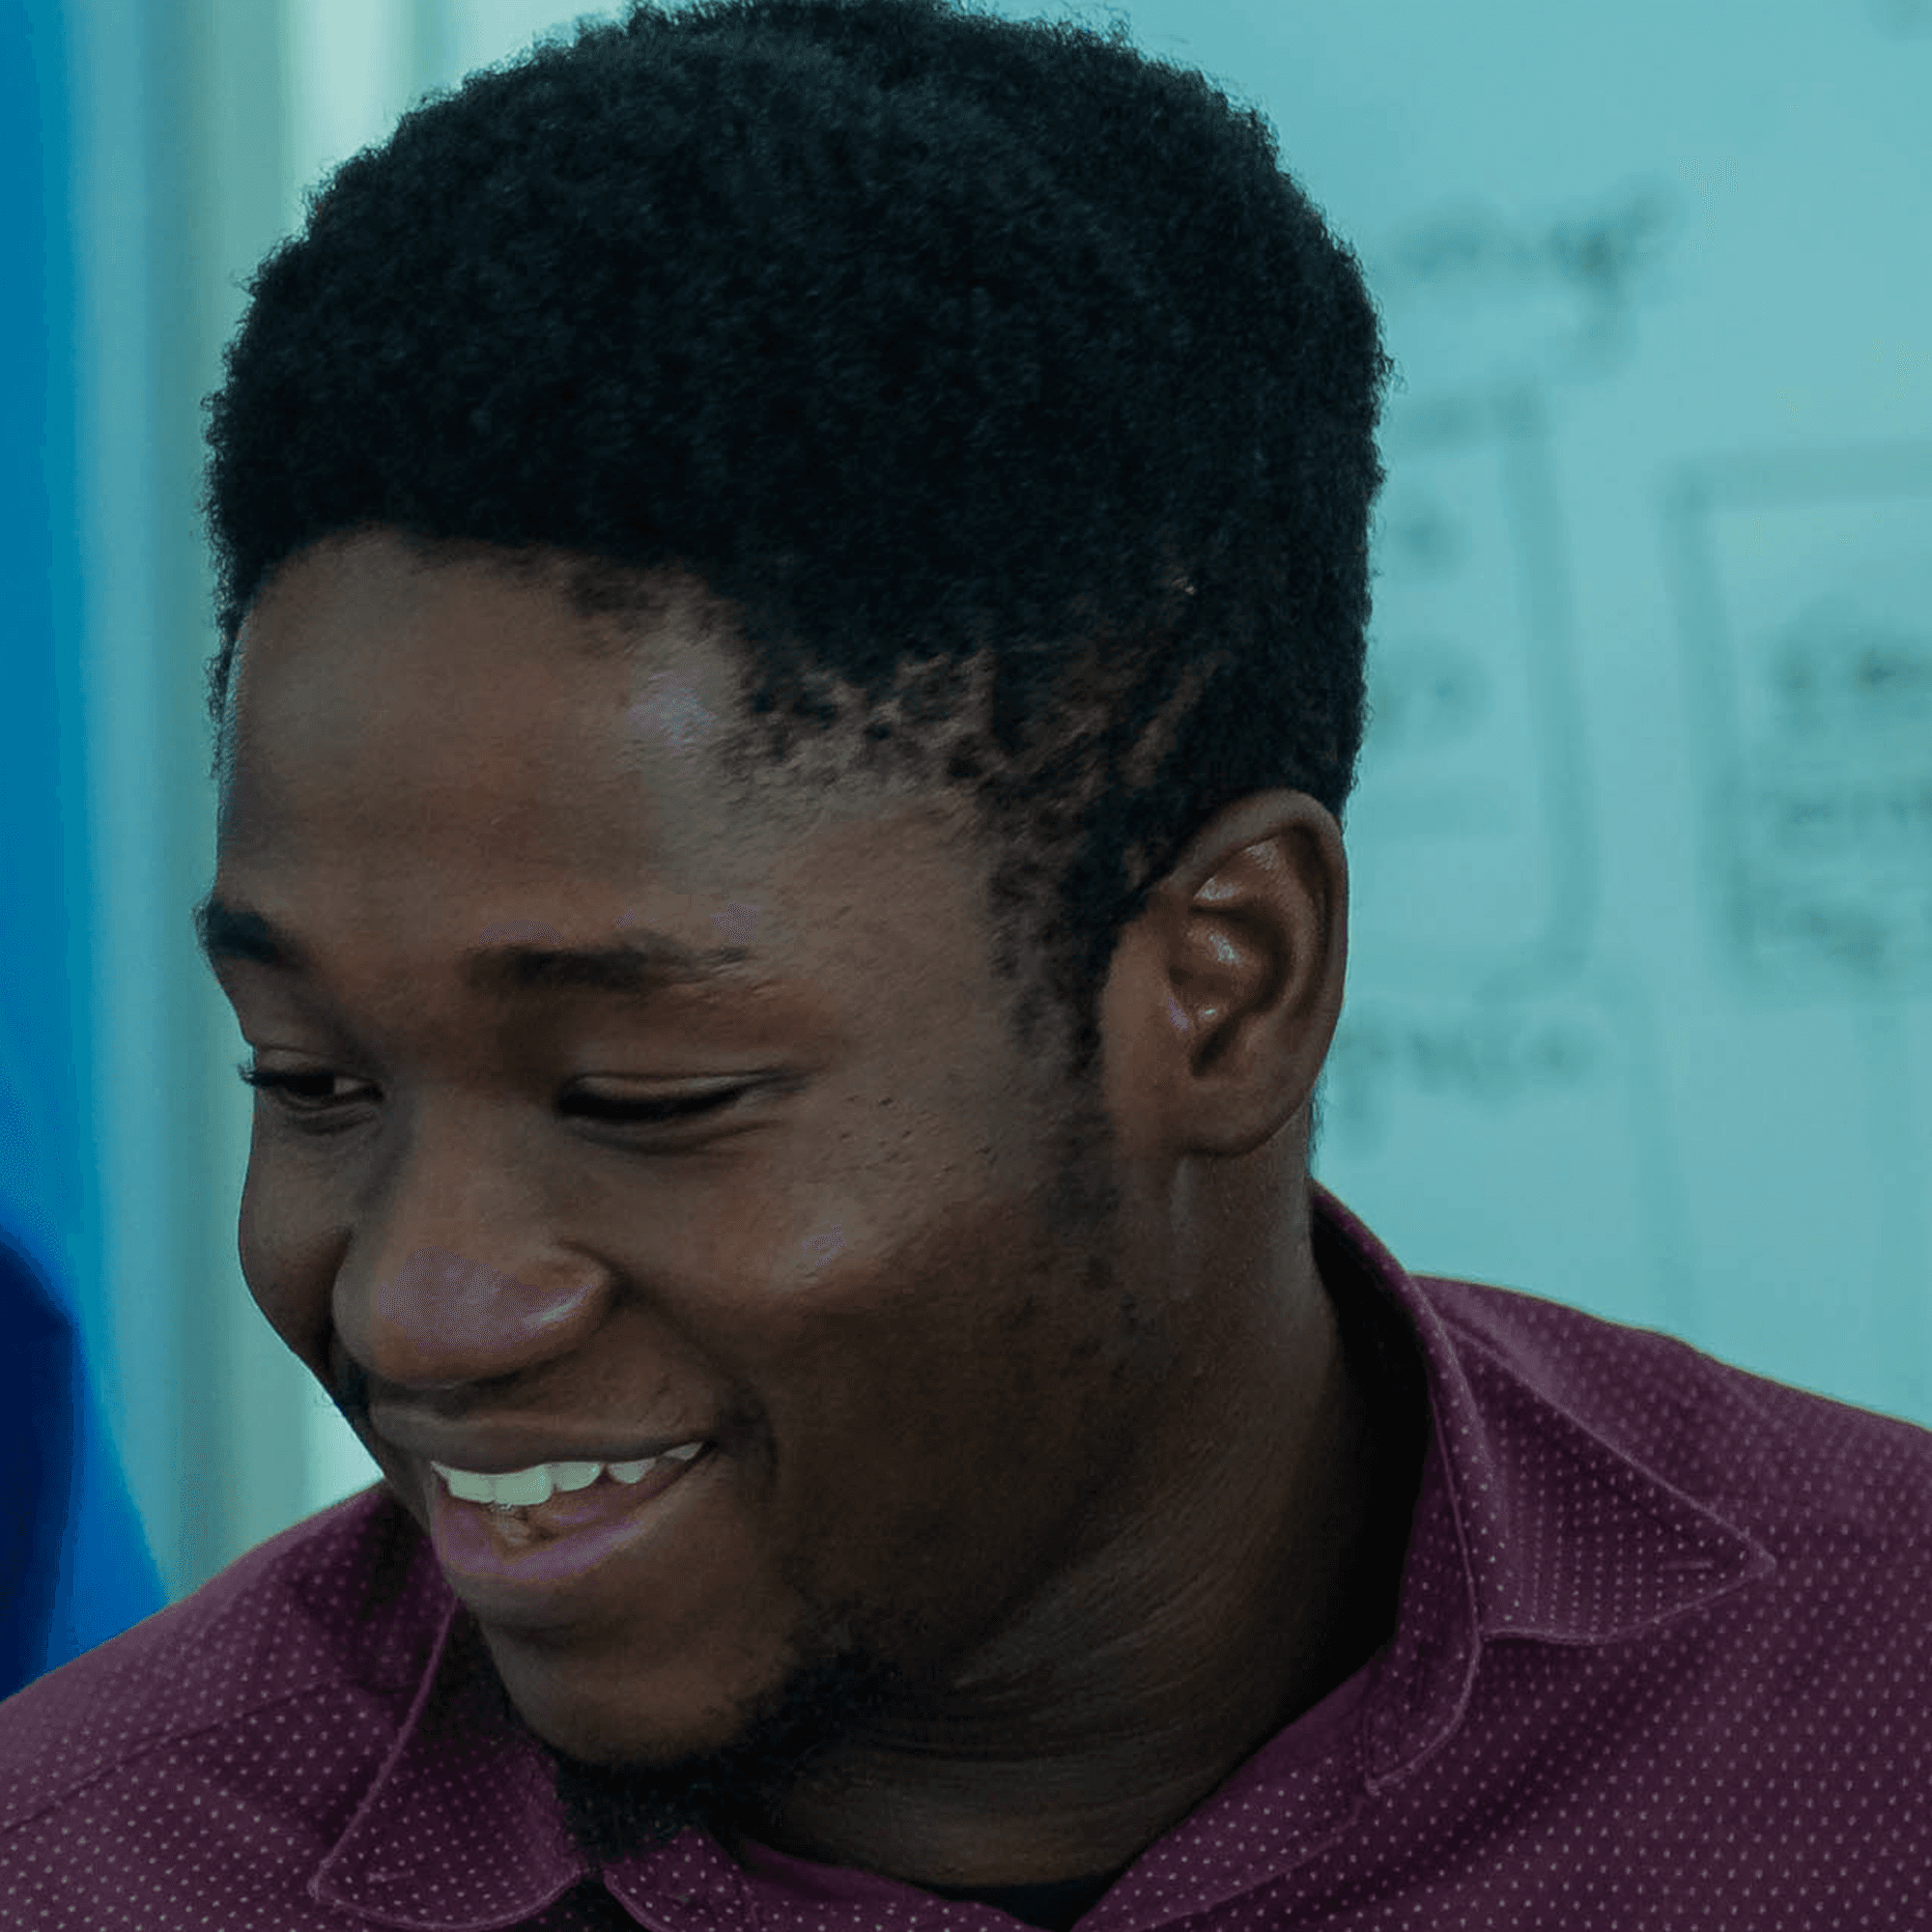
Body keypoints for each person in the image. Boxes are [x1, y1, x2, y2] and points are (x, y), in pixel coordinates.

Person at [4, 2, 1929, 1925]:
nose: (421, 1308)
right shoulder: (97, 1877)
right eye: (310, 1077)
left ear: (1228, 983)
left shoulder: (1876, 1729)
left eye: (638, 1097)